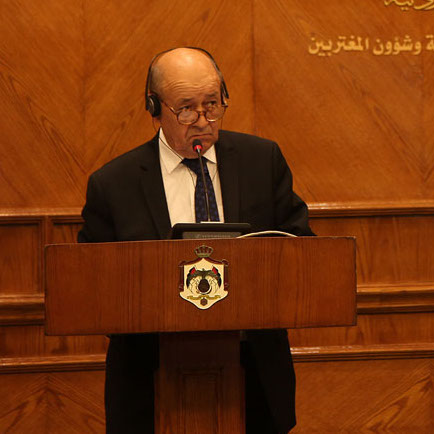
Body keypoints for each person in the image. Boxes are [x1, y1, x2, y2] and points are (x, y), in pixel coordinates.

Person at [79, 46, 313, 434]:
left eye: (212, 104)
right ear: (154, 107)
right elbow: (93, 287)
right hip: (150, 383)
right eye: (186, 109)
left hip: (253, 376)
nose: (202, 121)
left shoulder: (262, 161)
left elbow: (300, 248)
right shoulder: (113, 184)